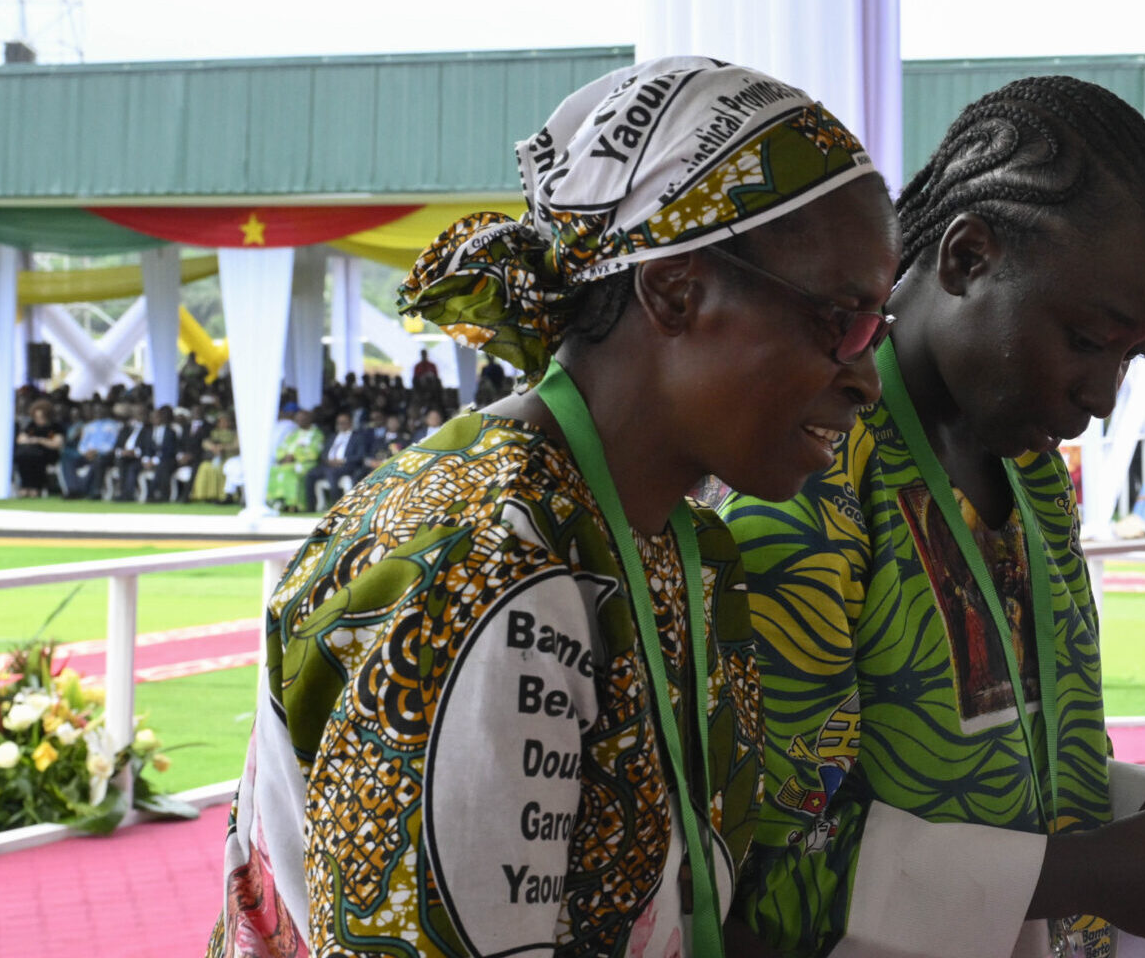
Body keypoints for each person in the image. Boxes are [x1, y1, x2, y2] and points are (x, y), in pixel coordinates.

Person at [209, 56, 900, 958]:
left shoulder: (672, 544)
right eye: (843, 319)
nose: (865, 380)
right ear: (677, 289)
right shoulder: (486, 563)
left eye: (879, 330)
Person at [724, 77, 1145, 958]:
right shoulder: (809, 472)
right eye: (1087, 339)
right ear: (968, 259)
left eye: (1134, 356)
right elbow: (769, 868)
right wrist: (1092, 876)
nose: (1106, 396)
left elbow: (1024, 771)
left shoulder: (1034, 475)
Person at [301, 409, 376, 511]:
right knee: (310, 474)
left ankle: (335, 505)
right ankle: (311, 507)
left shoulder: (357, 437)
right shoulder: (333, 436)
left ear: (350, 423)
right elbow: (323, 453)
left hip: (345, 466)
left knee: (331, 473)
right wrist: (328, 460)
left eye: (343, 422)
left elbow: (360, 456)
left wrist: (343, 460)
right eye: (339, 423)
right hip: (329, 465)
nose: (341, 425)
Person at [264, 409, 323, 512]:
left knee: (290, 470)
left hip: (307, 464)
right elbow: (282, 447)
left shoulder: (316, 435)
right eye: (298, 419)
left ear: (309, 420)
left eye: (302, 419)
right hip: (288, 462)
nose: (299, 421)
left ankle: (294, 504)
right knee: (272, 470)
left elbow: (314, 452)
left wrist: (295, 456)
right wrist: (284, 457)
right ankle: (277, 501)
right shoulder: (293, 434)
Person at [13, 401, 64, 498]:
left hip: (48, 453)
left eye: (41, 417)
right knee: (22, 457)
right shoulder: (32, 426)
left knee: (35, 458)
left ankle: (36, 487)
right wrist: (31, 440)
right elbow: (20, 439)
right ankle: (26, 486)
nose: (39, 420)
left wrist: (40, 440)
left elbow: (57, 443)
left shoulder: (55, 427)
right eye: (36, 417)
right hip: (31, 452)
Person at [193, 410, 239, 503]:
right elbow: (205, 443)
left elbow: (236, 446)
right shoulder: (214, 432)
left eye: (226, 421)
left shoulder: (235, 433)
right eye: (221, 421)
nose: (223, 423)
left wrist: (223, 447)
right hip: (216, 457)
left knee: (225, 468)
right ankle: (207, 495)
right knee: (205, 466)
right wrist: (213, 447)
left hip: (230, 457)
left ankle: (225, 495)